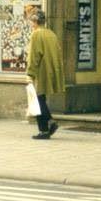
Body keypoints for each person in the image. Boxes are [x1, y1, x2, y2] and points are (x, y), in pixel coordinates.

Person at [25, 10, 65, 140]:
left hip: (40, 70)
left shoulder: (36, 34)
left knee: (37, 100)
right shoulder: (51, 34)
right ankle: (49, 124)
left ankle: (44, 129)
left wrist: (30, 73)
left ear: (36, 22)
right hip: (50, 69)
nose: (31, 24)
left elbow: (34, 56)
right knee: (40, 99)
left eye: (32, 21)